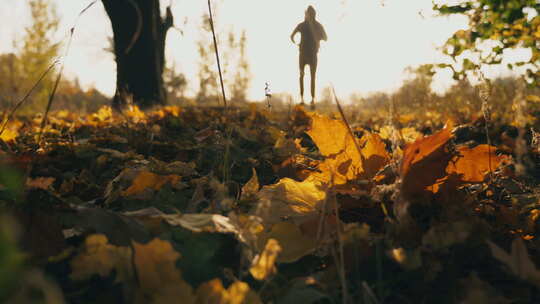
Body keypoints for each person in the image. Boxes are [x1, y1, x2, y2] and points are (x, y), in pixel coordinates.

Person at [290, 5, 327, 109]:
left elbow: (292, 37)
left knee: (305, 76)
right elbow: (292, 36)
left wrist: (297, 43)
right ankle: (308, 99)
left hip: (307, 54)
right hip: (308, 54)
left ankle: (310, 99)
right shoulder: (315, 25)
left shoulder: (303, 25)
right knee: (308, 76)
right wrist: (318, 39)